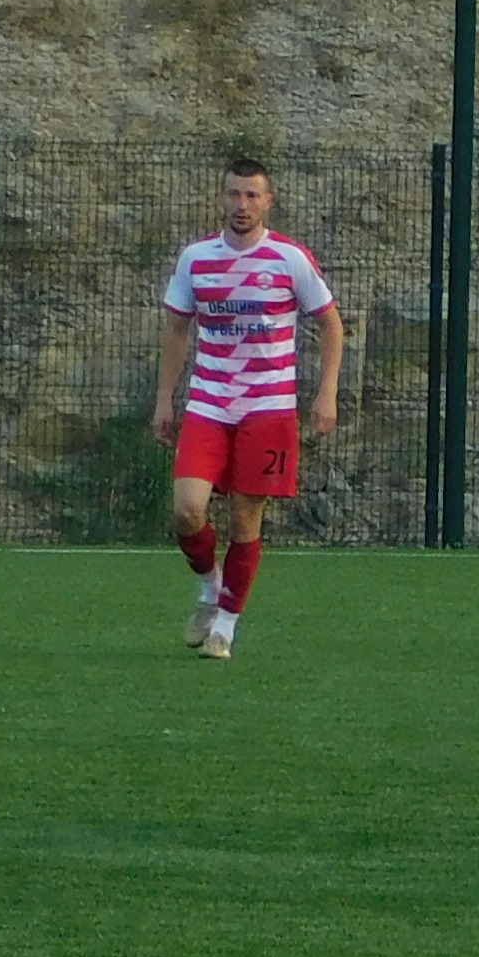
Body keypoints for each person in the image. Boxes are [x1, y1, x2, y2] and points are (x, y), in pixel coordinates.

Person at [149, 157, 340, 661]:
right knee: (187, 510)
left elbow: (331, 324)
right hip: (209, 404)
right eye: (234, 194)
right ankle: (210, 590)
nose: (242, 204)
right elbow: (176, 329)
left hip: (268, 408)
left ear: (267, 201)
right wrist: (165, 399)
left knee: (244, 519)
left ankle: (225, 628)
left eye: (252, 195)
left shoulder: (289, 259)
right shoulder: (196, 259)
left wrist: (326, 393)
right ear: (222, 198)